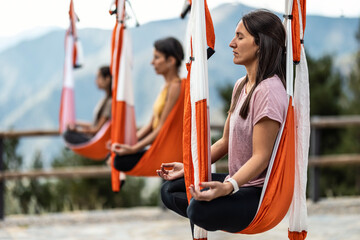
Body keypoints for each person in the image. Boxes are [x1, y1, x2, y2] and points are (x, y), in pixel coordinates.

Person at [157, 9, 288, 234]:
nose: (231, 44)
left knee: (199, 209)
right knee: (171, 189)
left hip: (258, 194)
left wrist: (228, 187)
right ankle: (209, 203)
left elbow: (261, 157)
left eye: (239, 37)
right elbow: (225, 141)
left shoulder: (269, 91)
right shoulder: (241, 85)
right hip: (236, 181)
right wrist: (190, 167)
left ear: (259, 44)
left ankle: (211, 207)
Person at [111, 37, 184, 172]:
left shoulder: (176, 86)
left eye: (157, 58)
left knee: (121, 161)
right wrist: (128, 143)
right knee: (118, 159)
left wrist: (133, 148)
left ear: (171, 61)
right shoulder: (166, 86)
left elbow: (161, 128)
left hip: (168, 149)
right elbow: (151, 124)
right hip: (159, 145)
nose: (152, 62)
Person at [63, 65, 112, 144]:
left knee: (68, 135)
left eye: (98, 77)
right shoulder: (106, 99)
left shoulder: (109, 102)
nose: (96, 81)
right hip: (96, 138)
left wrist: (77, 130)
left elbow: (97, 129)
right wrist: (77, 123)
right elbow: (95, 124)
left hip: (97, 142)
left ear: (107, 79)